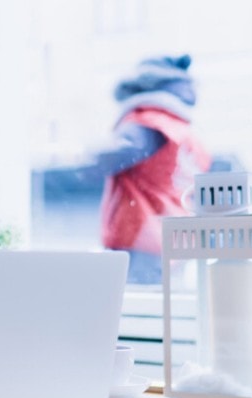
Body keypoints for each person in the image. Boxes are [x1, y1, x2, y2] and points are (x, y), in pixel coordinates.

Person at [80, 54, 212, 283]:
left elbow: (109, 158)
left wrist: (79, 160)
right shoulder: (187, 135)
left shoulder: (146, 124)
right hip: (178, 239)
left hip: (141, 234)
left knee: (132, 306)